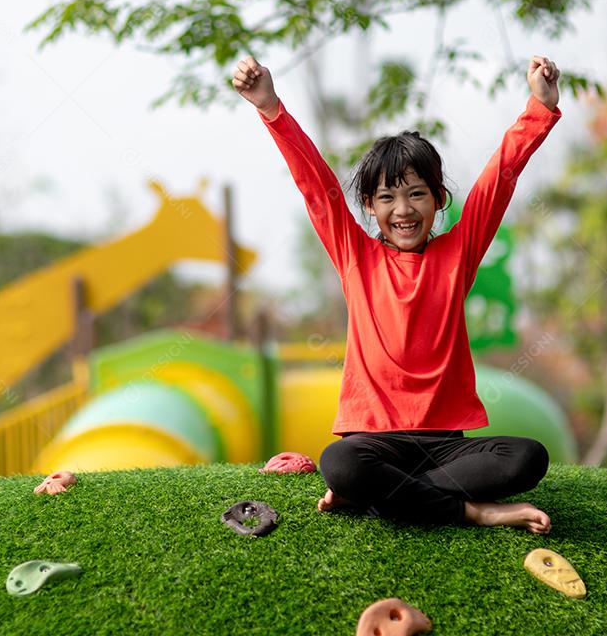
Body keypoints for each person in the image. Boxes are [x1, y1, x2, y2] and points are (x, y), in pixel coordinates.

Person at [232, 54, 563, 534]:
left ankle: (382, 493)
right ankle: (470, 511)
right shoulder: (355, 256)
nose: (403, 210)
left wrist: (540, 107)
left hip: (447, 443)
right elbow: (316, 186)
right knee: (341, 463)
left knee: (528, 457)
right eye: (387, 197)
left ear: (438, 200)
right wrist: (270, 107)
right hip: (372, 442)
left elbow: (500, 178)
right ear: (369, 206)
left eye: (416, 195)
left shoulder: (457, 254)